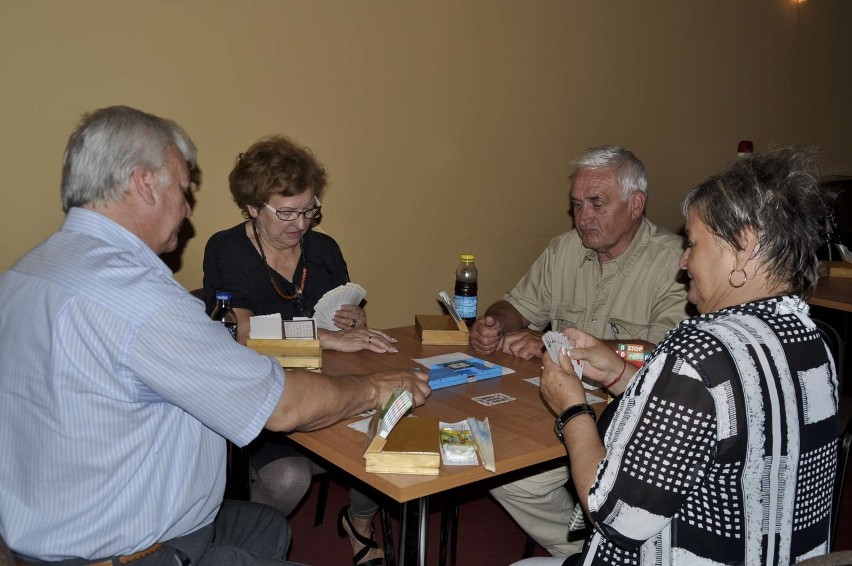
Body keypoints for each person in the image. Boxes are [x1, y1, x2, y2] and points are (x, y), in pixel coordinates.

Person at [0, 106, 431, 566]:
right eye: (183, 189)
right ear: (146, 185)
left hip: (55, 524)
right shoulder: (139, 299)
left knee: (266, 528)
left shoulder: (25, 273)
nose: (187, 209)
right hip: (127, 550)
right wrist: (376, 385)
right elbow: (282, 404)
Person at [516, 147, 839, 565]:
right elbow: (719, 415)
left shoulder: (702, 351)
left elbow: (613, 513)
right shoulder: (810, 338)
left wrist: (572, 408)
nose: (684, 261)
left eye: (694, 244)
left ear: (742, 247)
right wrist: (619, 375)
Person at [471, 146, 690, 556]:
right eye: (575, 205)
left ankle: (604, 547)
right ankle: (589, 551)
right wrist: (496, 323)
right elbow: (517, 305)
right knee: (502, 470)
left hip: (635, 421)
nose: (582, 218)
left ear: (636, 204)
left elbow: (663, 353)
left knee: (512, 474)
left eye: (596, 204)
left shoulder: (675, 262)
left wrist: (556, 343)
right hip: (565, 407)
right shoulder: (565, 249)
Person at [202, 136, 387, 566]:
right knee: (288, 477)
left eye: (308, 210)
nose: (299, 224)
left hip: (331, 384)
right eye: (285, 212)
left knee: (389, 432)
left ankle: (358, 524)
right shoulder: (227, 249)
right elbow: (243, 333)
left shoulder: (323, 250)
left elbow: (345, 317)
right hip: (268, 393)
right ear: (252, 206)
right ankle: (242, 548)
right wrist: (326, 338)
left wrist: (353, 323)